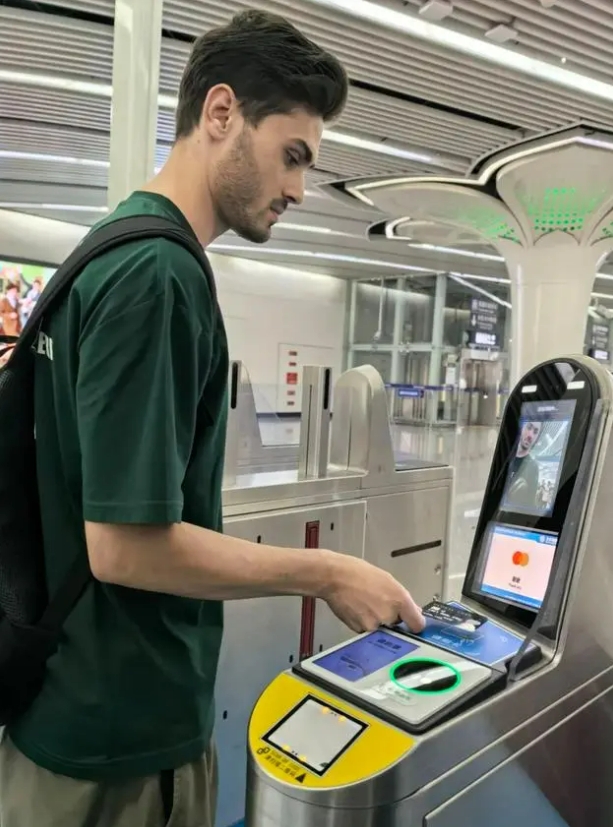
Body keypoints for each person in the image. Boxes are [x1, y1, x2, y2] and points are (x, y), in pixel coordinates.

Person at [0, 10, 424, 827]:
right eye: (292, 155)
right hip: (117, 745)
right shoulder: (157, 277)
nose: (300, 188)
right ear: (221, 112)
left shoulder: (108, 249)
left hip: (70, 707)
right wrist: (328, 572)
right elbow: (124, 545)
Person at [504, 420, 542, 511]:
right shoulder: (505, 457)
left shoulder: (533, 467)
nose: (530, 435)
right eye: (529, 427)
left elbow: (530, 505)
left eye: (535, 432)